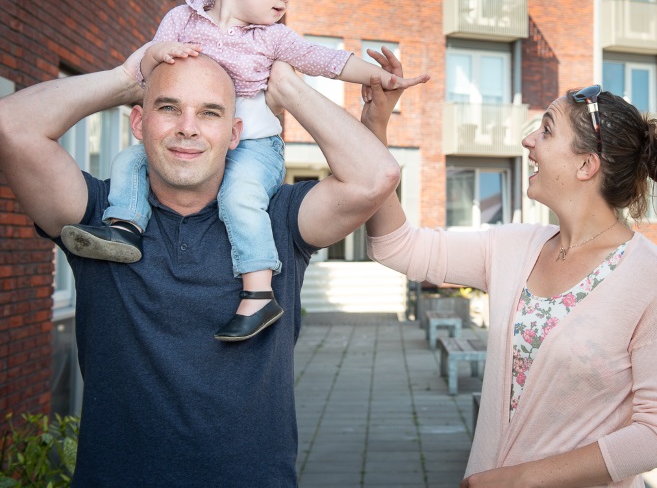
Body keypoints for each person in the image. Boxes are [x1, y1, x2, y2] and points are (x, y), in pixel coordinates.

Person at [0, 51, 402, 486]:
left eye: (209, 113)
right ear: (138, 123)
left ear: (235, 134)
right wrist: (125, 77)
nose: (187, 127)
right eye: (168, 107)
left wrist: (289, 89)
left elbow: (375, 177)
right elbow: (12, 125)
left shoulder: (277, 221)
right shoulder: (100, 218)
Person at [59, 0, 429, 341]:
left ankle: (258, 292)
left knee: (240, 197)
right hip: (196, 134)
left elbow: (325, 59)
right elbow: (151, 66)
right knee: (128, 159)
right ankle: (124, 226)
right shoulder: (182, 17)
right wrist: (157, 54)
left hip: (253, 145)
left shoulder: (272, 38)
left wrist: (378, 76)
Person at [360, 49, 657, 488]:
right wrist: (374, 129)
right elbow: (395, 246)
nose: (528, 141)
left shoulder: (651, 275)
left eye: (547, 131)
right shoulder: (512, 246)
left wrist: (517, 480)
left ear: (586, 165)